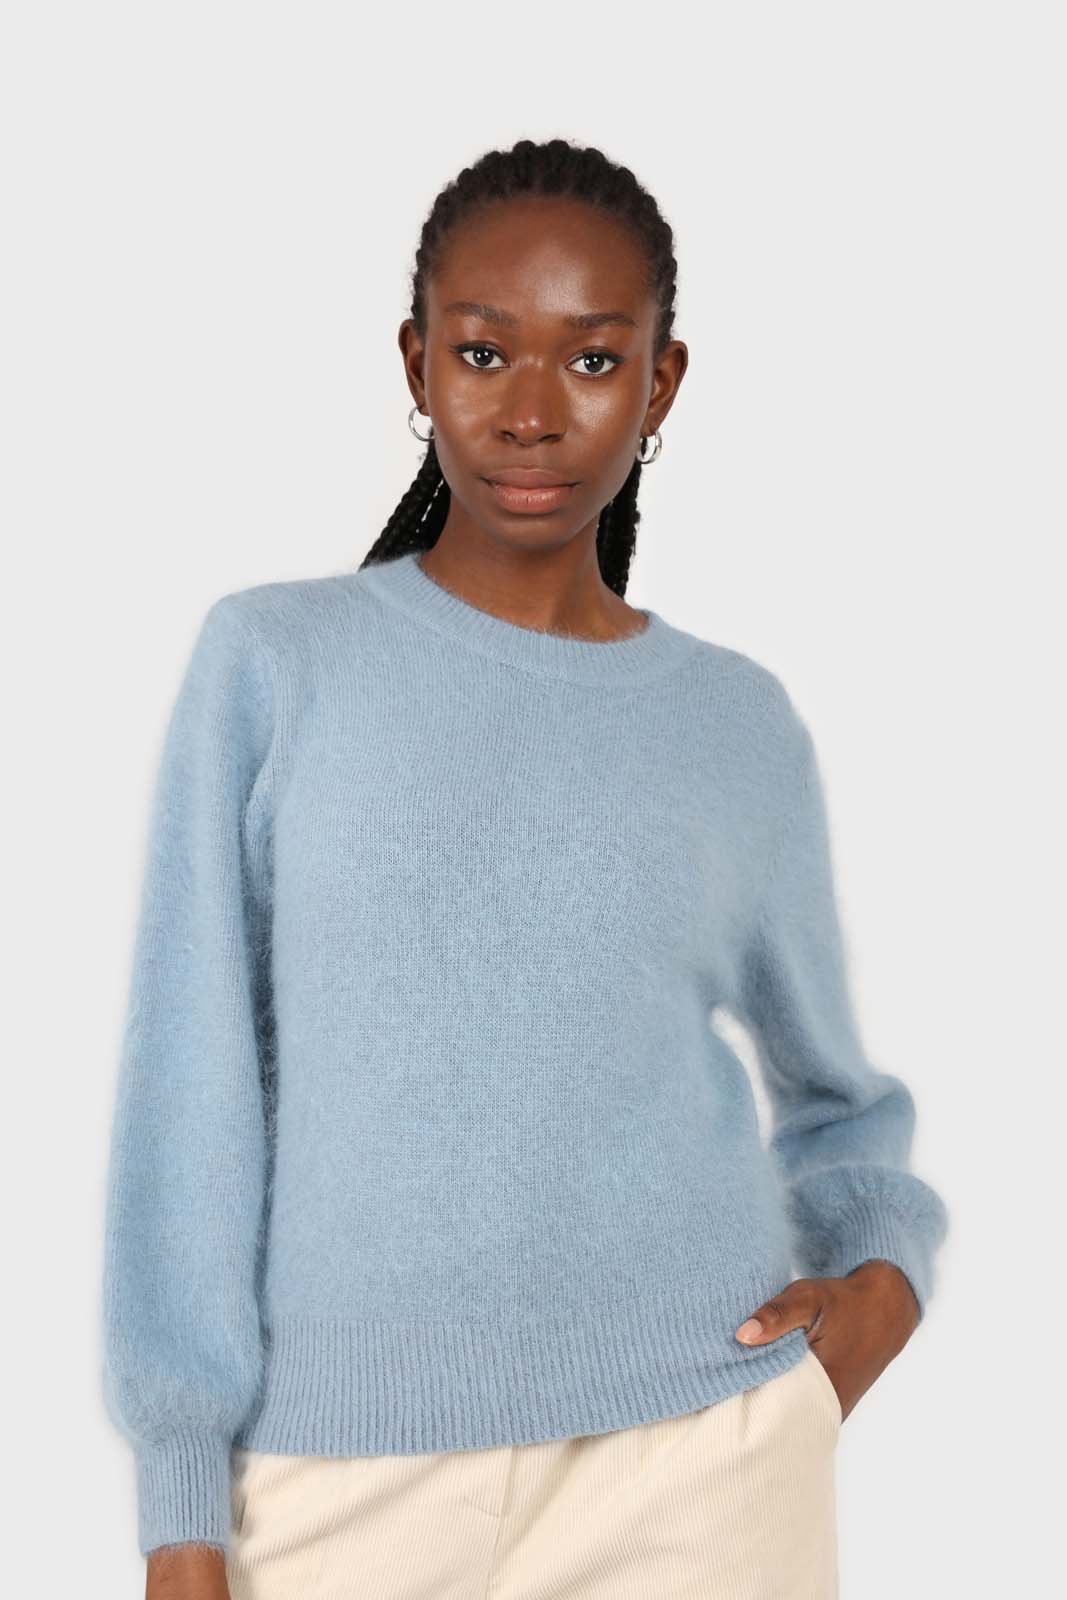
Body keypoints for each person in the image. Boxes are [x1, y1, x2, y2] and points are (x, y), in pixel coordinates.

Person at [100, 136, 950, 1600]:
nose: (534, 413)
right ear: (417, 363)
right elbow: (195, 1087)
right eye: (484, 353)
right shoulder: (276, 663)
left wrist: (880, 1286)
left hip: (701, 1461)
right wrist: (182, 1500)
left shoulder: (735, 720)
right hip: (337, 1481)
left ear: (662, 385)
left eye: (595, 360)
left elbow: (837, 1093)